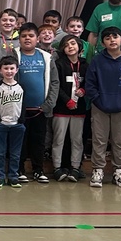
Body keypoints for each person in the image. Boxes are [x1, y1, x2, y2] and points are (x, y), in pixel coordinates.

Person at [85, 26, 121, 188]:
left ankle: (119, 171)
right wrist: (97, 99)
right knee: (99, 140)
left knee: (118, 141)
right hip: (100, 106)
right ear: (103, 42)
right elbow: (90, 83)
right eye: (108, 38)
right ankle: (98, 170)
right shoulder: (97, 60)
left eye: (115, 37)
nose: (112, 40)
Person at [15, 23, 58, 183]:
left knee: (38, 141)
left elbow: (54, 82)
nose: (27, 38)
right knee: (20, 141)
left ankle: (38, 170)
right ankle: (19, 170)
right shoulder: (14, 55)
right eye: (24, 36)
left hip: (41, 109)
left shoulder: (46, 57)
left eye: (31, 36)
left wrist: (48, 104)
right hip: (19, 109)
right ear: (19, 39)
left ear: (37, 38)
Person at [50, 35, 88, 183]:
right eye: (66, 45)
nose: (70, 47)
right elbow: (56, 85)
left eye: (73, 43)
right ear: (62, 49)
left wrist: (84, 91)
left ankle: (75, 168)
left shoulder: (85, 64)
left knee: (77, 140)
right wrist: (67, 100)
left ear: (79, 46)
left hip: (79, 109)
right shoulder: (59, 64)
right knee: (58, 139)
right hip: (61, 108)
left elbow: (90, 82)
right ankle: (57, 167)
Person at [0, 56, 25, 188]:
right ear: (0, 70)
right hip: (1, 125)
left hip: (17, 125)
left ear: (16, 69)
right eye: (6, 68)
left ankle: (13, 176)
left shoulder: (21, 87)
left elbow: (23, 105)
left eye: (12, 68)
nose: (9, 71)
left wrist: (21, 121)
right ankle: (0, 176)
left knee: (15, 153)